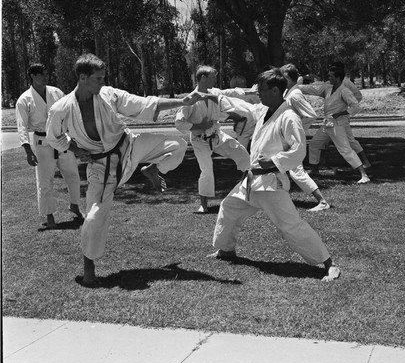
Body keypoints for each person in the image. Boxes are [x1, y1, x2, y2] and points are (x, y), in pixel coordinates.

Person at [46, 54, 201, 287]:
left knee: (177, 144)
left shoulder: (108, 94)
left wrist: (183, 102)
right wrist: (75, 149)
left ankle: (154, 170)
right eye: (98, 79)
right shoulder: (61, 109)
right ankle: (89, 270)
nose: (102, 82)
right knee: (96, 214)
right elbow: (53, 137)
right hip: (100, 166)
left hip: (128, 146)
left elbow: (144, 104)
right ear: (83, 77)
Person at [204, 68, 341, 282]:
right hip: (252, 181)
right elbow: (244, 105)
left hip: (270, 184)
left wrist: (275, 162)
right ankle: (226, 250)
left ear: (276, 90)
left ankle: (329, 263)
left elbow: (299, 150)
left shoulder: (288, 117)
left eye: (262, 90)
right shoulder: (264, 111)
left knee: (291, 226)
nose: (259, 93)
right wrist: (217, 97)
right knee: (229, 207)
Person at [16, 63, 84, 230]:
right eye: (41, 74)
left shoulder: (56, 92)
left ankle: (74, 205)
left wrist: (75, 137)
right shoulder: (24, 99)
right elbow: (21, 126)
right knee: (45, 181)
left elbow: (68, 113)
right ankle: (49, 215)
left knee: (73, 175)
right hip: (42, 142)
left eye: (46, 73)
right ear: (32, 76)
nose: (45, 77)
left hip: (62, 139)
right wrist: (27, 150)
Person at [175, 66, 251, 214]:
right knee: (207, 171)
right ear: (203, 78)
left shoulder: (214, 92)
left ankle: (247, 193)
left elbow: (229, 95)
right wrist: (199, 125)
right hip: (200, 140)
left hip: (217, 135)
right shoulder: (191, 99)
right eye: (213, 77)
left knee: (243, 155)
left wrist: (238, 113)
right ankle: (203, 205)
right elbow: (179, 123)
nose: (215, 79)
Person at [300, 66, 370, 184]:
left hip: (337, 124)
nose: (329, 78)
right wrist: (296, 87)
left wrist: (340, 113)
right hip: (327, 124)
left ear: (338, 77)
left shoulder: (344, 91)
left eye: (331, 76)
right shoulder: (328, 88)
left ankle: (364, 175)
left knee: (345, 149)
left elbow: (356, 106)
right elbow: (313, 90)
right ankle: (315, 169)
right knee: (314, 144)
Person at [280, 64, 330, 211]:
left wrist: (295, 129)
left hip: (292, 138)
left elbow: (311, 115)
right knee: (278, 167)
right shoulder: (288, 92)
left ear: (288, 77)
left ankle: (322, 201)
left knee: (296, 171)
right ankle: (280, 198)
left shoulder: (295, 95)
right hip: (286, 137)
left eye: (282, 76)